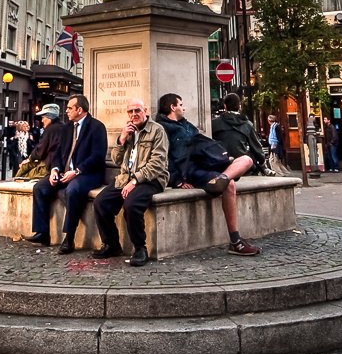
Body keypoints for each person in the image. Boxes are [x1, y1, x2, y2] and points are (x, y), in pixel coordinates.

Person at [157, 93, 260, 255]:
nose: (184, 108)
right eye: (181, 104)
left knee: (247, 160)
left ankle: (222, 177)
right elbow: (163, 156)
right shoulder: (162, 128)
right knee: (230, 185)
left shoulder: (188, 125)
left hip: (210, 162)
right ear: (173, 107)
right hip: (193, 170)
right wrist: (176, 179)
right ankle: (235, 241)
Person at [93, 99, 169, 265]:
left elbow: (158, 163)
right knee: (100, 202)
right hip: (125, 178)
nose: (134, 114)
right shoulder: (128, 131)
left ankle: (140, 248)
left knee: (131, 205)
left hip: (151, 179)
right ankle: (112, 244)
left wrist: (135, 181)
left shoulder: (157, 130)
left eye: (137, 110)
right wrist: (121, 139)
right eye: (130, 112)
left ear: (145, 111)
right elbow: (116, 159)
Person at [35, 95, 107, 254]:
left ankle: (69, 238)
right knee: (40, 187)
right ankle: (42, 233)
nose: (66, 111)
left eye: (69, 108)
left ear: (79, 110)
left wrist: (76, 171)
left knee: (72, 190)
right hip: (64, 172)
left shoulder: (96, 127)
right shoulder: (67, 127)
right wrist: (55, 170)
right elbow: (58, 153)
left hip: (87, 174)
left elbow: (97, 156)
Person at [211, 93, 268, 173]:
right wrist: (263, 164)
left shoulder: (214, 124)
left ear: (225, 106)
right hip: (242, 166)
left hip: (221, 164)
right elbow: (256, 148)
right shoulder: (247, 124)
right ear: (239, 106)